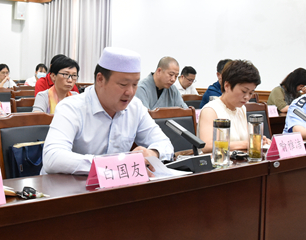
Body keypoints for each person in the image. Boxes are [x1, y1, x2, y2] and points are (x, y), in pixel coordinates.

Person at [42, 47, 173, 175]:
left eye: (135, 84)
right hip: (69, 186)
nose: (130, 92)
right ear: (100, 79)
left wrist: (153, 153)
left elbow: (165, 144)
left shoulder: (135, 107)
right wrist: (112, 164)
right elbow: (52, 157)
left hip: (116, 185)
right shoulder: (71, 108)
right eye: (123, 84)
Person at [197, 59, 268, 151]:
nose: (247, 97)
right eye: (244, 91)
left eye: (251, 93)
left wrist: (261, 140)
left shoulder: (241, 109)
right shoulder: (210, 110)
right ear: (227, 86)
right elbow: (207, 146)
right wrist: (245, 144)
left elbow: (246, 139)